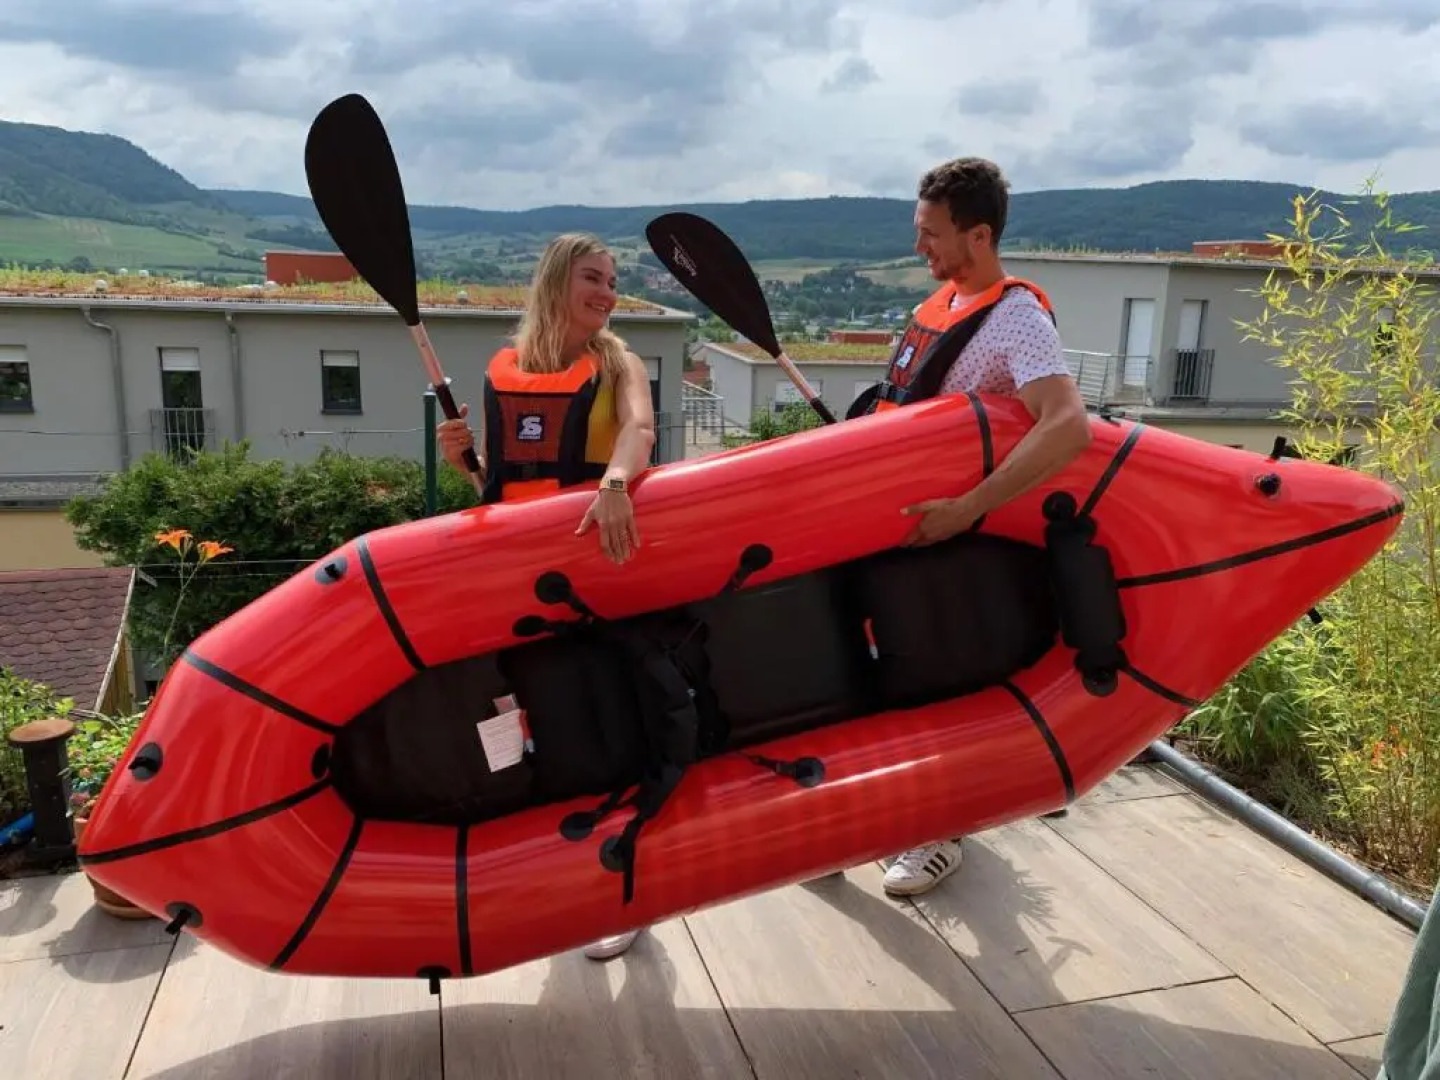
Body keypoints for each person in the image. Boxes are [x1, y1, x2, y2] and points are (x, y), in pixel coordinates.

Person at [864, 156, 1093, 897]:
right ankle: (892, 812)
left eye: (931, 234)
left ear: (980, 234)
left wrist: (970, 508)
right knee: (891, 678)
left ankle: (942, 833)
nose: (919, 248)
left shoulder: (1015, 317)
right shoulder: (938, 310)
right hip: (896, 536)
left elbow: (1066, 427)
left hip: (958, 541)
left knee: (945, 686)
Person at [436, 232, 657, 958]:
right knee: (540, 731)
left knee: (606, 723)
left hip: (594, 567)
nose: (607, 293)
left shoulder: (616, 360)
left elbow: (639, 428)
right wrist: (464, 460)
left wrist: (617, 482)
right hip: (520, 575)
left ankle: (624, 888)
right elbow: (498, 487)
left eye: (612, 282)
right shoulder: (508, 369)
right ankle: (567, 879)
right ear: (557, 282)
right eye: (593, 278)